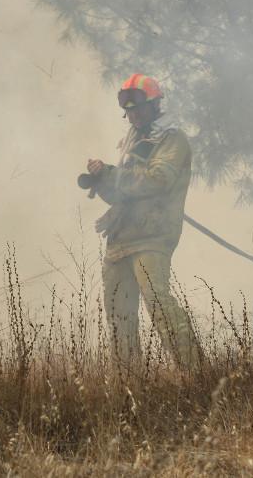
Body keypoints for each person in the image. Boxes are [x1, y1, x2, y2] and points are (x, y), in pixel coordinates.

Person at [85, 73, 203, 370]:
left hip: (152, 237)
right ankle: (130, 387)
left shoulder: (171, 139)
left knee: (159, 304)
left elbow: (158, 179)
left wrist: (113, 174)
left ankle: (199, 377)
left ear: (155, 104)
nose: (133, 114)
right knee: (118, 316)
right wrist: (102, 180)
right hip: (120, 240)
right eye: (128, 110)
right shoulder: (130, 142)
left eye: (137, 107)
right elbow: (121, 194)